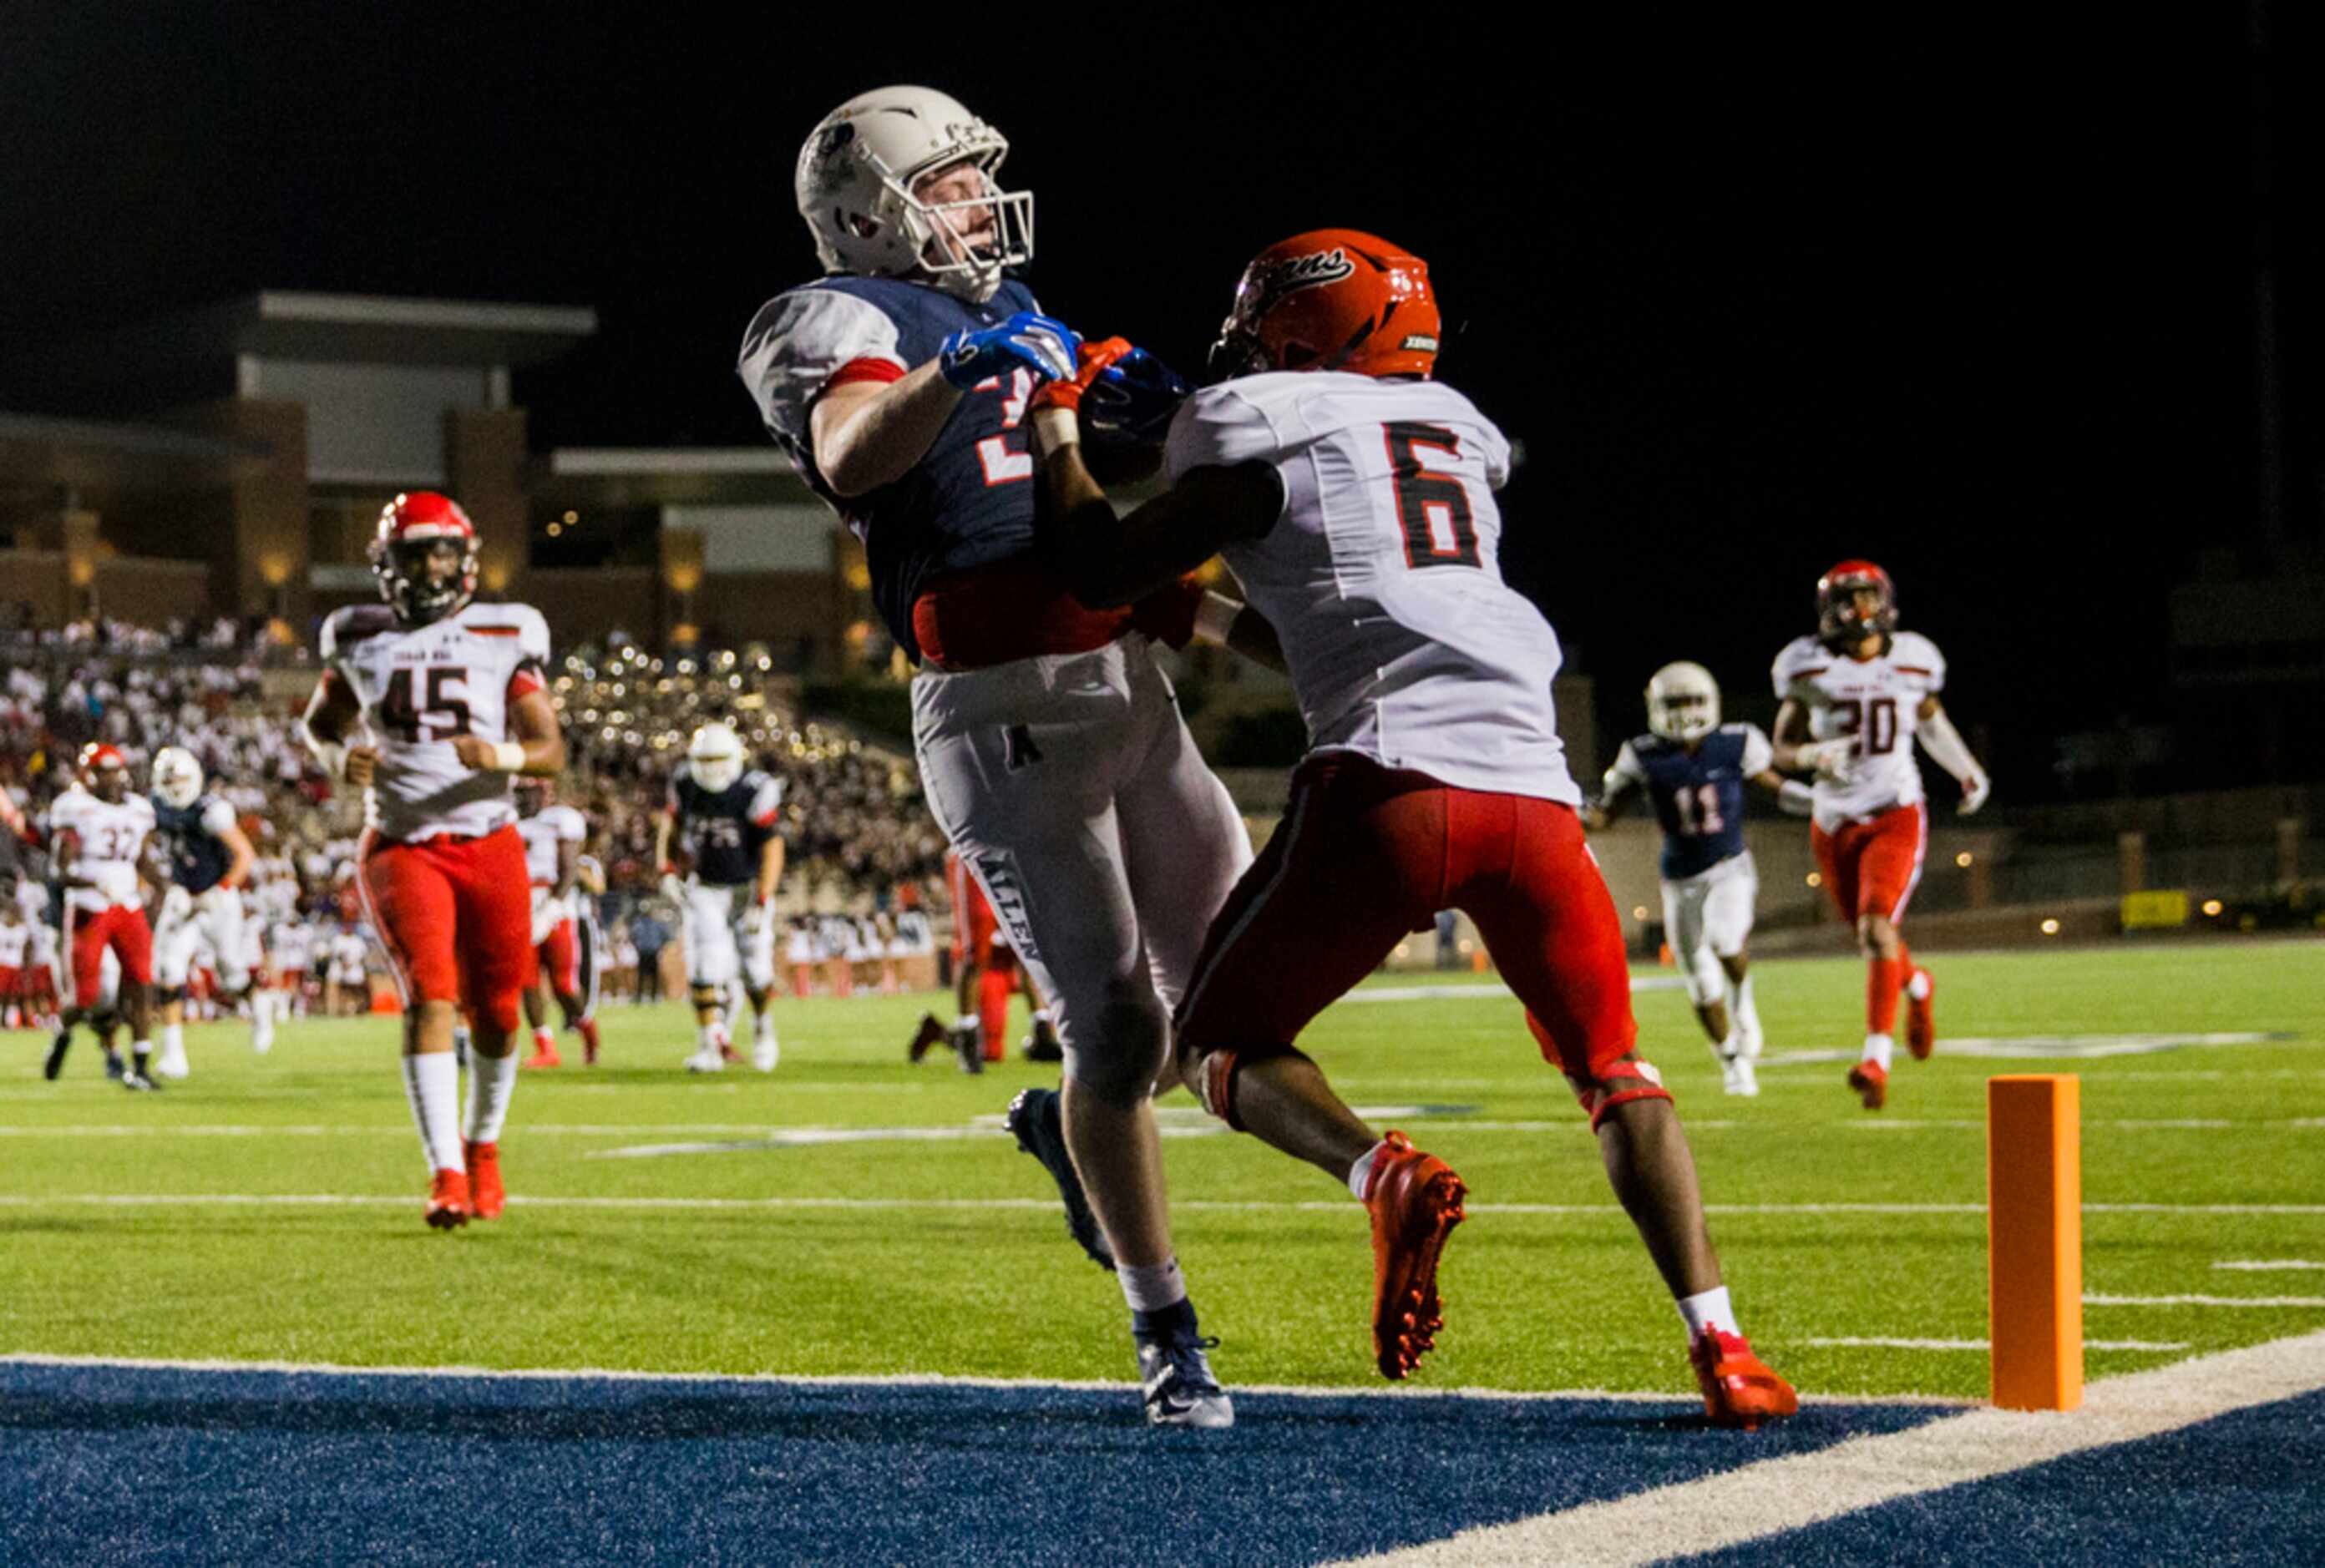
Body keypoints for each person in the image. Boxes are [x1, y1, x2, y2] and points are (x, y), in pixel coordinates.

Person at [1016, 230, 1796, 1427]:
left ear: (1298, 326)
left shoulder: (1254, 420)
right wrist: (1206, 602)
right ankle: (1724, 1344)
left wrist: (1061, 422)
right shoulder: (1461, 434)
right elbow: (1335, 603)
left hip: (1386, 787)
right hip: (1536, 797)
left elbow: (1094, 564)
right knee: (1618, 1071)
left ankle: (1379, 1170)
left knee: (1218, 1047)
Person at [739, 84, 1278, 1428]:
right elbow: (855, 455)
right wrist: (968, 372)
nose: (980, 204)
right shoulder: (831, 319)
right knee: (1117, 1022)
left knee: (1225, 993)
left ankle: (1066, 1129)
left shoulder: (1010, 316)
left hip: (1121, 676)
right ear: (868, 210)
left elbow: (1105, 489)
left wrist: (1166, 416)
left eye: (981, 180)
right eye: (954, 183)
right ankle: (1167, 1328)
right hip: (997, 705)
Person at [301, 490, 566, 1229]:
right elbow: (319, 724)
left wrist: (503, 753)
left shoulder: (503, 631)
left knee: (500, 1011)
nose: (430, 568)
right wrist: (335, 755)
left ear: (466, 558)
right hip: (402, 843)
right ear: (389, 564)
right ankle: (444, 1172)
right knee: (429, 995)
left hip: (488, 836)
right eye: (415, 554)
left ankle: (483, 1148)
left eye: (441, 552)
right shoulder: (356, 635)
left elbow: (551, 748)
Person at [1770, 561, 1989, 1111]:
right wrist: (1811, 755)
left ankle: (1875, 1060)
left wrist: (1966, 769)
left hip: (1895, 810)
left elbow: (1932, 722)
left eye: (1869, 597)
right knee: (1873, 937)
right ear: (1829, 610)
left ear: (1886, 601)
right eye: (1850, 599)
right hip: (1833, 819)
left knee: (1874, 928)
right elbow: (1780, 748)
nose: (1860, 610)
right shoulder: (1809, 667)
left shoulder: (1913, 660)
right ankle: (1918, 986)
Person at [1588, 662, 1811, 1095]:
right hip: (1678, 879)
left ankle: (1743, 1001)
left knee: (1726, 939)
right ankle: (1731, 1059)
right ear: (1655, 706)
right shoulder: (1643, 753)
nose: (1685, 711)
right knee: (1699, 981)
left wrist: (1822, 803)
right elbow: (1607, 813)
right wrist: (1568, 815)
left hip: (1729, 866)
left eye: (1692, 700)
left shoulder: (1734, 743)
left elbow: (1777, 787)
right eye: (1674, 702)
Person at [654, 721, 783, 1072]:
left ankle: (762, 1028)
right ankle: (709, 1045)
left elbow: (772, 846)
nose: (711, 767)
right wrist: (665, 868)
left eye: (718, 758)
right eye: (705, 759)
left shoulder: (753, 788)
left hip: (746, 888)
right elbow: (672, 826)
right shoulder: (684, 783)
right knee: (704, 966)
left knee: (756, 971)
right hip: (706, 887)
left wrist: (762, 899)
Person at [42, 745, 162, 1089]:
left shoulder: (139, 810)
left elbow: (142, 859)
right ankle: (63, 1033)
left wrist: (161, 888)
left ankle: (140, 1066)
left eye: (114, 770)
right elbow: (59, 870)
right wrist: (94, 881)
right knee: (85, 997)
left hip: (128, 905)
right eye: (103, 771)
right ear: (88, 775)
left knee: (141, 981)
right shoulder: (74, 809)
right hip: (88, 906)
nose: (110, 779)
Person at [149, 745, 268, 1075]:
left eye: (179, 779)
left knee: (231, 975)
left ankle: (258, 1005)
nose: (174, 786)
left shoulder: (210, 810)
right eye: (168, 780)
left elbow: (244, 855)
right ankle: (174, 1056)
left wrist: (222, 889)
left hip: (217, 898)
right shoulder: (154, 807)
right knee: (168, 970)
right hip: (182, 897)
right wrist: (165, 886)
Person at [514, 780, 600, 1067]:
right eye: (518, 792)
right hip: (520, 903)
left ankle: (588, 1030)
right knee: (527, 981)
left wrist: (550, 909)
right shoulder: (507, 820)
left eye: (527, 792)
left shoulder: (561, 819)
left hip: (556, 907)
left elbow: (569, 870)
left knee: (563, 984)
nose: (522, 798)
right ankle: (546, 1047)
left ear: (545, 792)